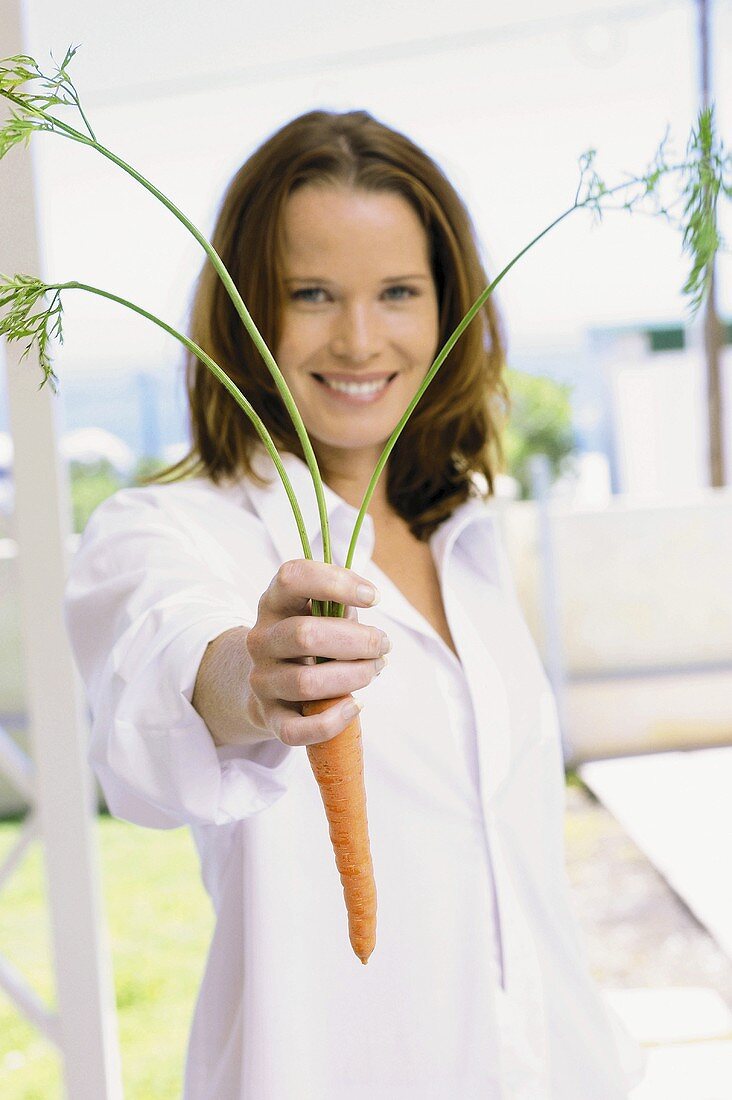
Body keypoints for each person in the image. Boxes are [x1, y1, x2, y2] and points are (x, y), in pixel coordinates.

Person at [64, 110, 646, 1100]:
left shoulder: (462, 532)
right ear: (248, 308)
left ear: (446, 304)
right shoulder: (168, 532)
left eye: (399, 293)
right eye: (312, 293)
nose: (361, 337)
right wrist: (251, 677)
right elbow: (158, 704)